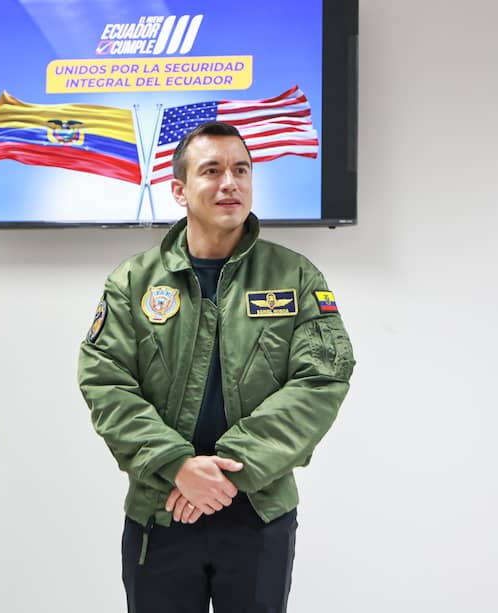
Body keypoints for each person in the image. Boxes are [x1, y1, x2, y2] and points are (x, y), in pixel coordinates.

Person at [78, 121, 355, 613]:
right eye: (212, 170)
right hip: (162, 513)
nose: (231, 182)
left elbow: (321, 380)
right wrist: (177, 466)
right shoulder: (131, 283)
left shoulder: (296, 277)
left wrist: (228, 472)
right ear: (179, 190)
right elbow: (106, 383)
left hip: (259, 512)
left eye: (241, 169)